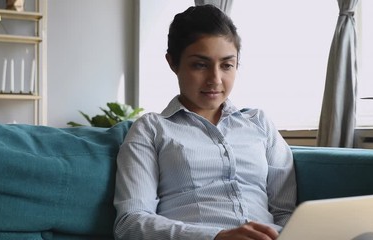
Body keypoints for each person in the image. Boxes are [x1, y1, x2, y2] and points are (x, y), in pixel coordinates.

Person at [114, 4, 296, 240]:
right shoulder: (150, 130)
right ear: (173, 62)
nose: (215, 79)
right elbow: (130, 223)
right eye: (200, 65)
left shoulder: (260, 124)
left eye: (227, 65)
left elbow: (286, 213)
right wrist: (217, 237)